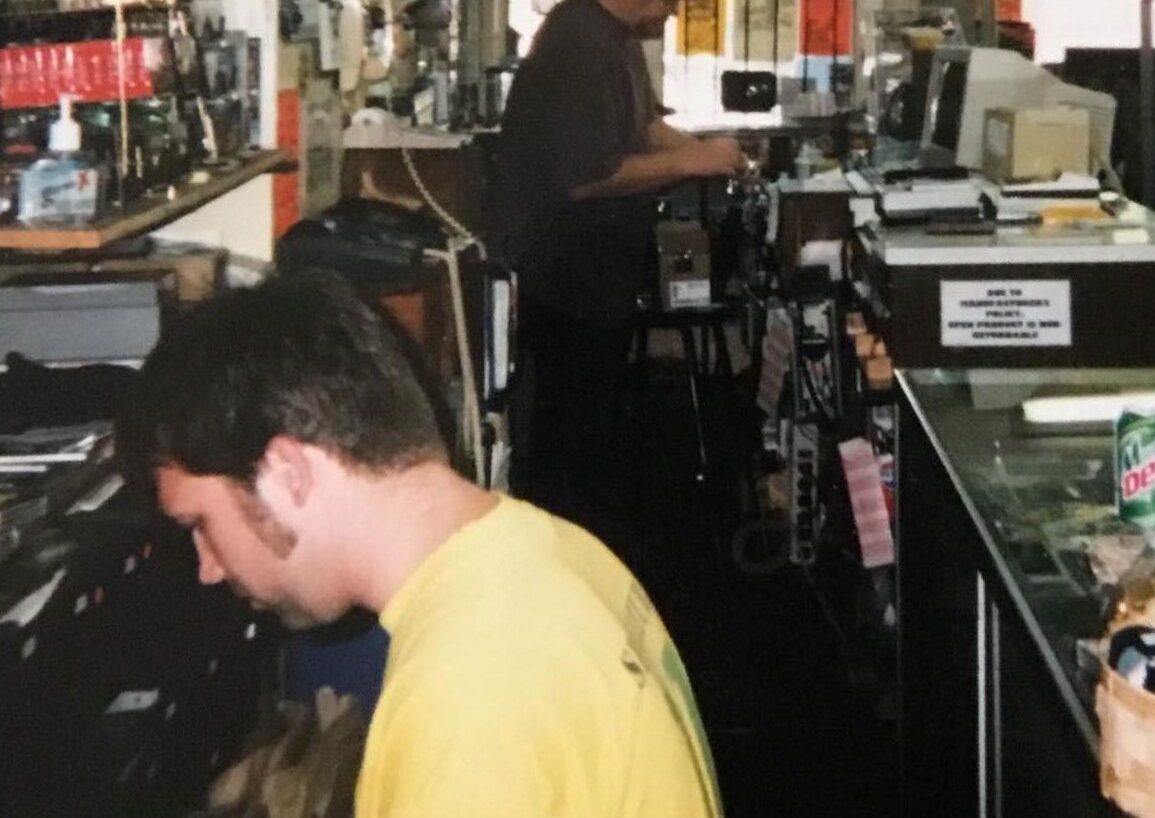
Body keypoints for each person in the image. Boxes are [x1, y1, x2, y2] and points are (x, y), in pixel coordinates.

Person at [116, 272, 722, 818]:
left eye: (200, 524)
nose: (209, 568)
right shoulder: (550, 547)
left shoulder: (462, 698)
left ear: (287, 473)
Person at [493, 0, 746, 559]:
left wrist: (712, 152)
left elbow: (644, 127)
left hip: (595, 268)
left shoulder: (613, 35)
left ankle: (587, 545)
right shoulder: (578, 44)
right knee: (572, 430)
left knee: (596, 419)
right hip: (564, 271)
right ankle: (566, 556)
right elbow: (586, 176)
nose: (668, 14)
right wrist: (694, 163)